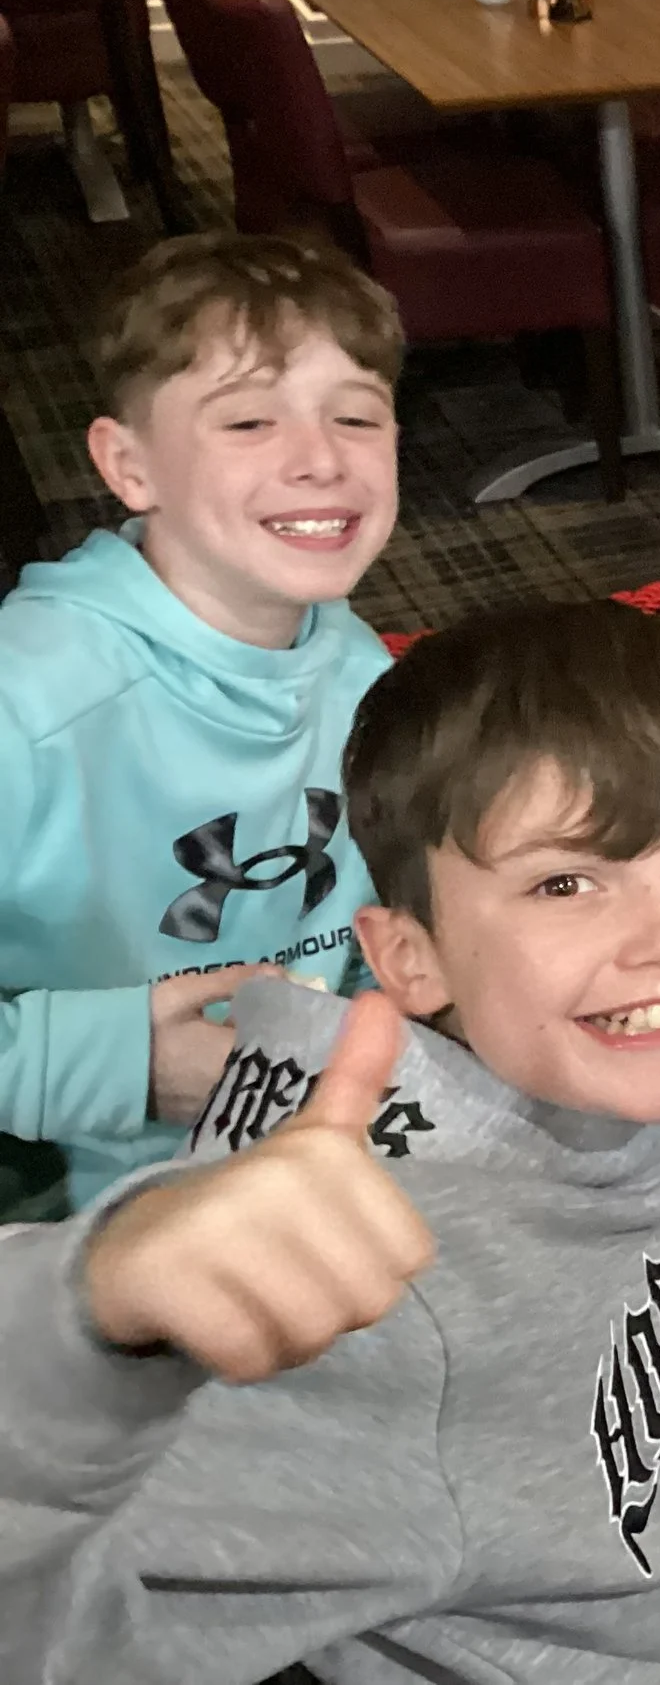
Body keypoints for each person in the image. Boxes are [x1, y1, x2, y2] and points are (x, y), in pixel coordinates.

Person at [0, 600, 660, 1683]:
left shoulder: (599, 1070)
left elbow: (657, 1184)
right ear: (412, 959)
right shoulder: (401, 1306)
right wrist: (91, 1320)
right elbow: (53, 1635)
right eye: (564, 882)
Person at [0, 233, 405, 1217]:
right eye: (249, 421)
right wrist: (121, 1064)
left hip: (309, 1136)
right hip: (75, 1202)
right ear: (129, 466)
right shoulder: (27, 702)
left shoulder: (355, 663)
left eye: (357, 415)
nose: (321, 459)